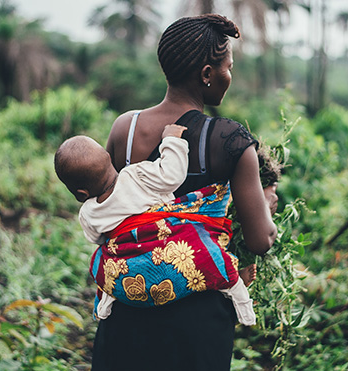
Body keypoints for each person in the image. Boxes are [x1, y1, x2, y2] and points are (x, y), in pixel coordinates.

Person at [91, 14, 277, 371]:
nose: (229, 77)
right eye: (228, 67)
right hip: (197, 321)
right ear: (207, 74)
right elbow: (260, 240)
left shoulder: (124, 129)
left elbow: (109, 208)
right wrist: (266, 205)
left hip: (128, 304)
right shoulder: (230, 140)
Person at [53, 124, 256, 326]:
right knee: (207, 254)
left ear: (80, 194)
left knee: (102, 261)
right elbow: (172, 175)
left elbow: (98, 239)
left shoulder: (88, 213)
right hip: (169, 249)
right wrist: (171, 140)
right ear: (108, 158)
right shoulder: (136, 175)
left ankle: (106, 302)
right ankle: (240, 296)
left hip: (131, 272)